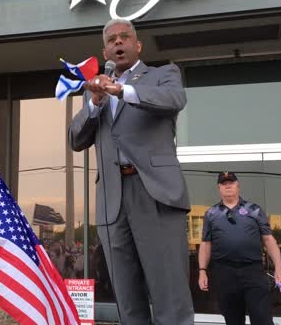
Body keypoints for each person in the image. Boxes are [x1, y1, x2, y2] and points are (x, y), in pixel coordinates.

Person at [68, 18, 193, 324]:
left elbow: (174, 100)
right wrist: (96, 102)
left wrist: (122, 91)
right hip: (113, 198)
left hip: (154, 193)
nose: (118, 42)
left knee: (169, 294)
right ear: (105, 50)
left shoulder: (163, 74)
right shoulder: (94, 91)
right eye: (112, 39)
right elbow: (75, 138)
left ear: (138, 45)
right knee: (126, 297)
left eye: (125, 37)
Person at [198, 172, 281, 325]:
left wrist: (278, 267)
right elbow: (206, 244)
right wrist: (202, 271)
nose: (228, 185)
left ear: (238, 185)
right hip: (225, 273)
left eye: (231, 182)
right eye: (224, 183)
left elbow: (269, 239)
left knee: (262, 318)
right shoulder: (211, 214)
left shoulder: (254, 210)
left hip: (253, 271)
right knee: (232, 319)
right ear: (219, 187)